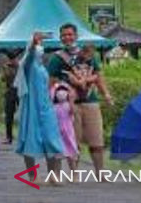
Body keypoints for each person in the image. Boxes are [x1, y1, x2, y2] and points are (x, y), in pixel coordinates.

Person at [47, 24, 113, 174]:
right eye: (64, 35)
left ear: (76, 36)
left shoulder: (88, 55)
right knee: (72, 140)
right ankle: (74, 173)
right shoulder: (57, 58)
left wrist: (106, 94)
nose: (67, 38)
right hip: (69, 105)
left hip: (91, 101)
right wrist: (51, 100)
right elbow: (51, 82)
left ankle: (100, 173)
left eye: (70, 34)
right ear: (60, 38)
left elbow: (99, 76)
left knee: (97, 140)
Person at [15, 32, 63, 182]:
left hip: (46, 105)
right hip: (32, 107)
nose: (40, 55)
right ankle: (31, 175)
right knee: (30, 138)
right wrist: (33, 44)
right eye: (38, 52)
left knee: (51, 138)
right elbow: (29, 56)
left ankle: (52, 174)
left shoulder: (42, 68)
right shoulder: (29, 67)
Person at [51, 82, 79, 171]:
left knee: (70, 155)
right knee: (57, 155)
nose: (61, 93)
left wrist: (71, 100)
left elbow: (73, 111)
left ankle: (74, 173)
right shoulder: (54, 107)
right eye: (58, 91)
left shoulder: (68, 106)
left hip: (68, 134)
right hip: (57, 134)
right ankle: (57, 175)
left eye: (64, 91)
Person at [1, 51, 19, 144]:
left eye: (15, 58)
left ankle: (24, 136)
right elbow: (3, 78)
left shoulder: (21, 66)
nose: (13, 60)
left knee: (24, 114)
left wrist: (17, 66)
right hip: (10, 91)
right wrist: (6, 68)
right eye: (12, 59)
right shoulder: (6, 67)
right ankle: (9, 136)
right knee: (9, 115)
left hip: (21, 91)